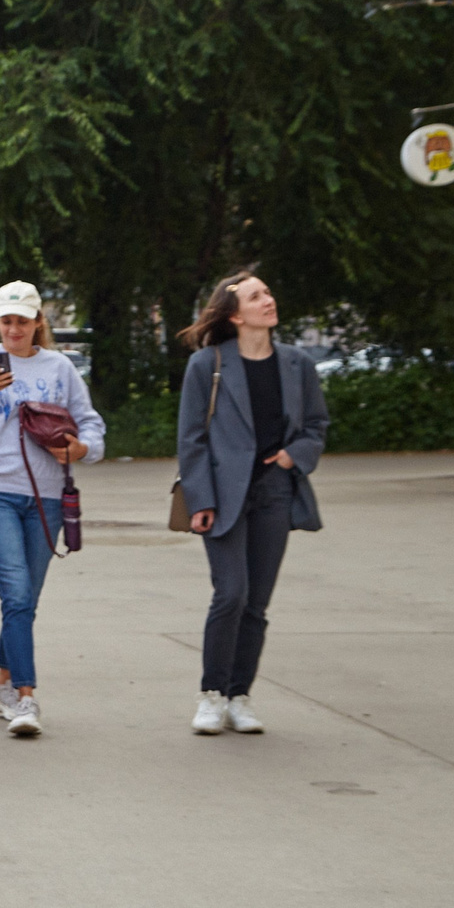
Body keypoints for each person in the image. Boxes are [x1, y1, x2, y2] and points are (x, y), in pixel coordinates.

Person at [0, 281, 105, 739]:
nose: (14, 329)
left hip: (47, 494)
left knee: (26, 598)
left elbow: (88, 420)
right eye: (6, 321)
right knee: (15, 594)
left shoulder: (60, 367)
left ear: (37, 323)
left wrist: (83, 448)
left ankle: (2, 684)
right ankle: (26, 697)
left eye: (23, 321)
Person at [176, 273, 328, 736]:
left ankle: (240, 696)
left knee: (256, 604)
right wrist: (200, 498)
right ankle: (211, 695)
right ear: (235, 314)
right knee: (231, 594)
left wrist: (292, 457)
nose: (269, 300)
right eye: (257, 296)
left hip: (274, 493)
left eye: (268, 292)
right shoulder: (208, 365)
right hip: (222, 496)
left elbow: (316, 425)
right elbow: (192, 438)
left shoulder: (297, 364)